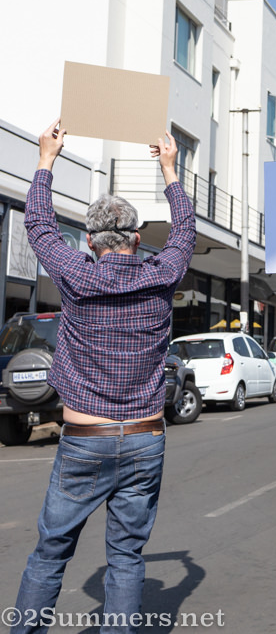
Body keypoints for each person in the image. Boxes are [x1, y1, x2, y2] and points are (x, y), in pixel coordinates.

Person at [13, 120, 195, 634]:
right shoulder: (162, 274)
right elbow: (184, 233)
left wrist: (46, 160)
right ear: (137, 239)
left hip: (84, 439)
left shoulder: (76, 272)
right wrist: (169, 170)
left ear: (90, 241)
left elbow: (40, 227)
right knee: (127, 557)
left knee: (51, 552)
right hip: (144, 437)